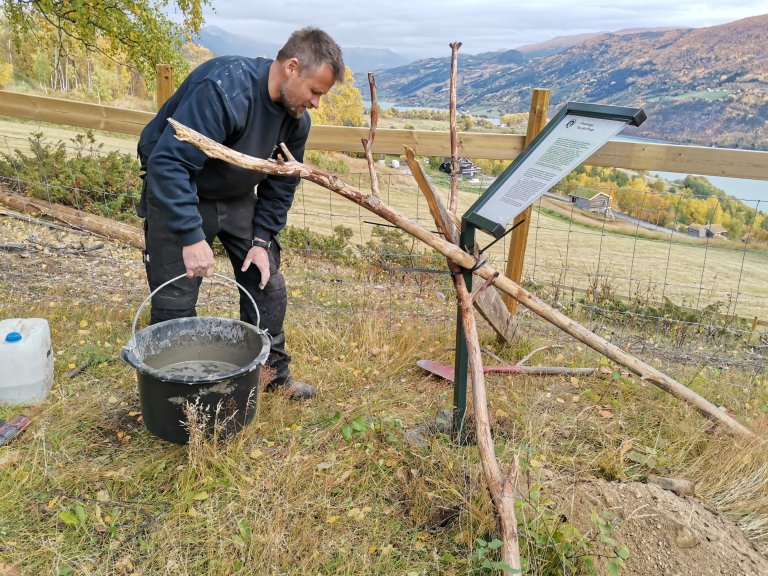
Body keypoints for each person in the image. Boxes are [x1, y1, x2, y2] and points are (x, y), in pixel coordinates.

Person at [136, 27, 345, 399]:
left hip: (235, 196)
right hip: (179, 189)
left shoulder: (295, 120)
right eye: (315, 91)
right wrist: (191, 236)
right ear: (292, 67)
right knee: (175, 300)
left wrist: (262, 241)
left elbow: (281, 183)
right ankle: (178, 395)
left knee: (266, 282)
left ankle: (271, 376)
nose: (316, 102)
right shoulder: (223, 90)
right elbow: (167, 164)